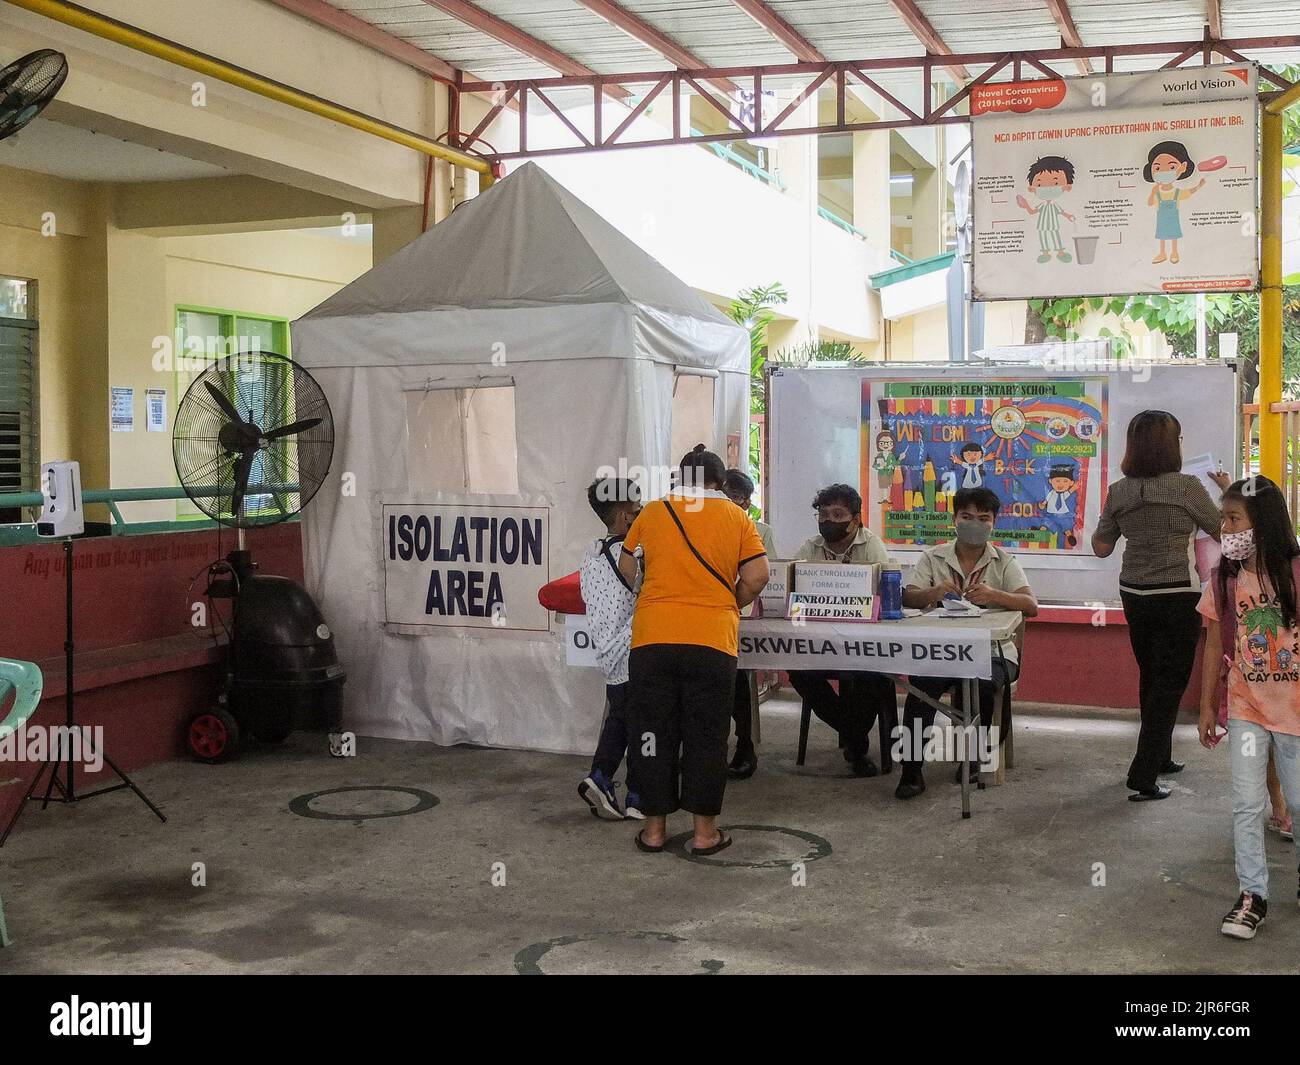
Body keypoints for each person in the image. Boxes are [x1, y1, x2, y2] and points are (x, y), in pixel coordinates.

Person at [618, 445, 769, 855]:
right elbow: (758, 575)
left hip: (652, 639)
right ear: (720, 483)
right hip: (711, 640)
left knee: (651, 733)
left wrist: (651, 595)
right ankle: (704, 834)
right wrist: (727, 602)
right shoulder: (737, 517)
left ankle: (653, 831)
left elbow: (627, 565)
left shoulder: (651, 512)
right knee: (706, 735)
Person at [1092, 410, 1229, 801]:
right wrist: (1225, 489)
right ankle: (1144, 772)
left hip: (1134, 593)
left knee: (1152, 675)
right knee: (1170, 682)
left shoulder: (1119, 491)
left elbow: (1101, 548)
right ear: (1171, 446)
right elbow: (1225, 531)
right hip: (1176, 594)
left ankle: (1162, 756)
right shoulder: (1186, 488)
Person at [1197, 476, 1300, 939]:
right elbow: (1216, 638)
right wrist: (1205, 708)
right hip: (1246, 707)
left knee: (1297, 803)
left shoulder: (1295, 571)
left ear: (1262, 523)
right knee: (1246, 803)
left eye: (1233, 518)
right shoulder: (1226, 574)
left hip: (1296, 711)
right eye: (1224, 518)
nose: (1225, 527)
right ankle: (1252, 895)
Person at [894, 487, 1038, 798]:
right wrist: (933, 593)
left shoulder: (1004, 561)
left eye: (983, 518)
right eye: (967, 516)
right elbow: (908, 596)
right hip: (940, 649)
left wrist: (995, 595)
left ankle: (972, 756)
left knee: (982, 683)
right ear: (955, 519)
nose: (975, 523)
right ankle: (911, 769)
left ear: (993, 522)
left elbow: (1031, 605)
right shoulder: (933, 557)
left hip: (993, 651)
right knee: (920, 686)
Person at [788, 483, 897, 777]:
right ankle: (855, 739)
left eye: (838, 514)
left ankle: (854, 743)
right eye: (823, 514)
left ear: (856, 519)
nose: (829, 521)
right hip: (819, 643)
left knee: (874, 676)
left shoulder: (871, 545)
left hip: (863, 642)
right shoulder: (810, 547)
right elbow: (793, 593)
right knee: (798, 671)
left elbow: (883, 596)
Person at [576, 476, 645, 821]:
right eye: (638, 508)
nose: (643, 513)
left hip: (610, 656)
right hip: (637, 651)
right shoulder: (636, 555)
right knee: (645, 725)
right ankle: (634, 793)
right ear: (623, 516)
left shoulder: (591, 555)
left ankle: (604, 778)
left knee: (623, 719)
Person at [722, 468, 774, 780]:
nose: (730, 504)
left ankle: (744, 744)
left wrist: (732, 601)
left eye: (737, 500)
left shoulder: (760, 531)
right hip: (706, 615)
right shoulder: (694, 527)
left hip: (741, 612)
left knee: (739, 675)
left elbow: (769, 577)